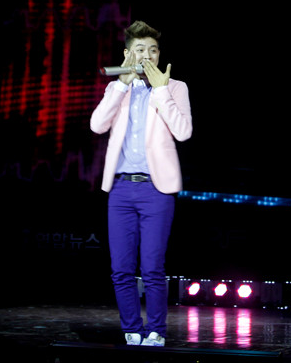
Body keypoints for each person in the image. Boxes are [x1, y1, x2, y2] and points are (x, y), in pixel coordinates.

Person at [90, 20, 192, 346]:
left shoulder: (175, 87)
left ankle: (157, 331)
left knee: (152, 268)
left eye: (153, 50)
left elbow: (183, 132)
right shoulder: (116, 89)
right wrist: (121, 86)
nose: (147, 56)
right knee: (121, 268)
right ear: (127, 54)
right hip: (121, 189)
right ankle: (131, 330)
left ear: (159, 54)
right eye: (140, 50)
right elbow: (97, 125)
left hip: (156, 189)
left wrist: (160, 90)